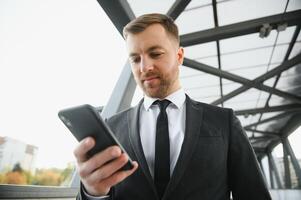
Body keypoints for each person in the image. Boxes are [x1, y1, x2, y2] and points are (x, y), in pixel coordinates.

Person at [74, 13, 272, 200]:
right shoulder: (112, 126)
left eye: (155, 53)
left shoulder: (224, 121)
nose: (144, 67)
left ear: (179, 56)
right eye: (135, 59)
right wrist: (93, 193)